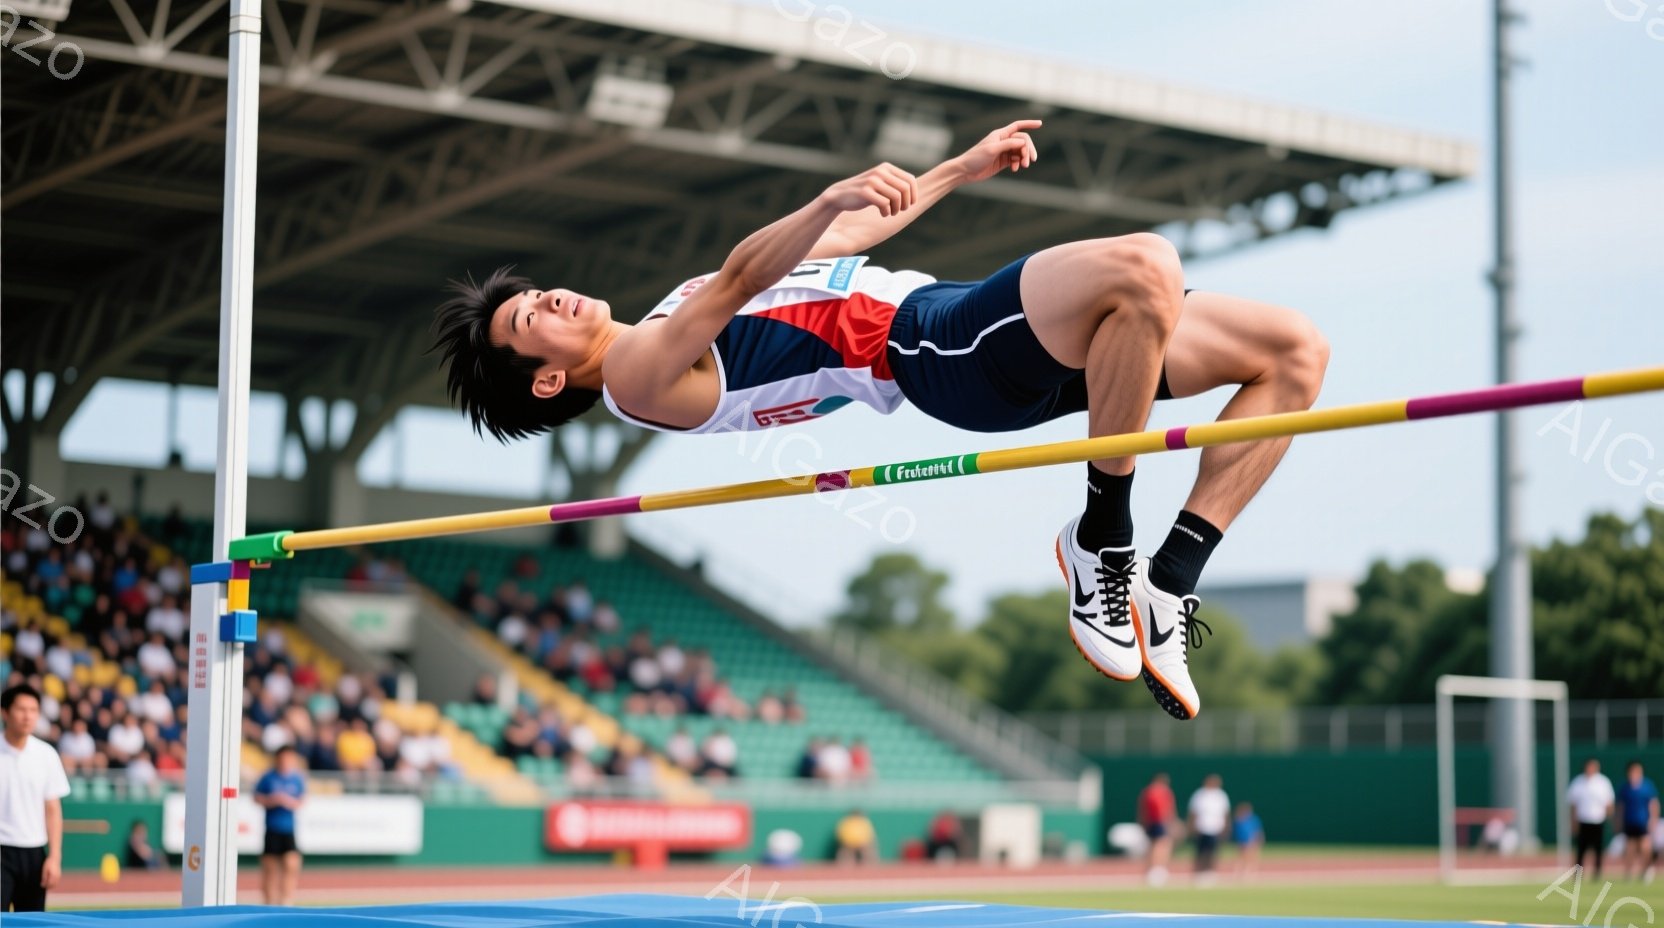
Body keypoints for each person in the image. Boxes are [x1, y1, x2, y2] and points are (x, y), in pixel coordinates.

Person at [432, 119, 1330, 721]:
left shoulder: (667, 309)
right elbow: (750, 275)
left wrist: (958, 170)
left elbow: (846, 246)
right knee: (1146, 265)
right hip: (932, 350)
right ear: (548, 381)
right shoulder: (635, 373)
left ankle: (1168, 580)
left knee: (1292, 352)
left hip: (950, 322)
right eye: (528, 320)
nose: (544, 298)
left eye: (530, 294)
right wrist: (824, 196)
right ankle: (1102, 540)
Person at [1, 684, 70, 912]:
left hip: (34, 854)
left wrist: (54, 857)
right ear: (5, 712)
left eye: (33, 710)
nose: (27, 716)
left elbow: (53, 809)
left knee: (32, 922)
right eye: (21, 709)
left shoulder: (46, 755)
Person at [254, 746, 306, 906]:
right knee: (270, 868)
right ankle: (268, 902)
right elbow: (257, 797)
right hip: (272, 828)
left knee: (292, 864)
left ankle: (286, 900)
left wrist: (289, 802)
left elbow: (301, 800)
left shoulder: (296, 778)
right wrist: (272, 800)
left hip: (288, 828)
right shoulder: (268, 777)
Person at [1568, 756, 1616, 879]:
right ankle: (1578, 874)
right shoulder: (1578, 782)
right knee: (1581, 849)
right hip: (1583, 820)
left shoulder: (1603, 782)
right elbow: (1573, 804)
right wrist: (1573, 821)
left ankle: (1597, 873)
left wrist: (1610, 818)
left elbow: (1609, 803)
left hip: (1598, 820)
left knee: (1598, 849)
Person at [1616, 759, 1660, 880]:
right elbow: (1620, 807)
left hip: (1643, 822)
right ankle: (1628, 874)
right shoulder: (1625, 788)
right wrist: (1618, 821)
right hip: (1629, 822)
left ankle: (1646, 871)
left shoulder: (1647, 786)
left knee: (1645, 847)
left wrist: (1653, 819)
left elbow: (1653, 804)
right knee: (1630, 848)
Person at [1188, 773, 1231, 884]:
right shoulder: (1199, 794)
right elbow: (1193, 812)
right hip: (1202, 827)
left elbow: (1225, 813)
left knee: (1213, 852)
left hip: (1215, 828)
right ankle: (1198, 873)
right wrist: (1192, 826)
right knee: (1200, 852)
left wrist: (1226, 827)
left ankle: (1210, 873)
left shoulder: (1221, 795)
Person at [1137, 772, 1177, 886]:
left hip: (1151, 822)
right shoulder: (1160, 792)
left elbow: (1142, 810)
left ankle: (1152, 870)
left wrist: (1142, 822)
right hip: (1159, 821)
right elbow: (1166, 809)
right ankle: (1157, 869)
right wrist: (1169, 822)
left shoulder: (1147, 792)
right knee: (1161, 845)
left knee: (1153, 845)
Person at [1231, 802, 1264, 875]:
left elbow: (1257, 830)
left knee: (1252, 857)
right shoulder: (1238, 820)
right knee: (1241, 856)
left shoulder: (1253, 819)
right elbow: (1237, 832)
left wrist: (1258, 839)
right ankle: (1239, 871)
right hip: (1242, 841)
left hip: (1251, 840)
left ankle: (1251, 871)